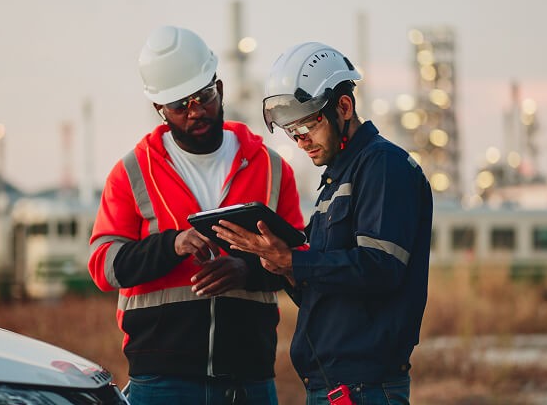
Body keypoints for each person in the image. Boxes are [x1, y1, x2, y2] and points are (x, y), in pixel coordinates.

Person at [87, 25, 305, 405]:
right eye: (179, 105)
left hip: (248, 379)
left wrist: (246, 271)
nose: (196, 112)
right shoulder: (133, 172)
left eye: (204, 97)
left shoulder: (270, 169)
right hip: (161, 382)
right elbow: (103, 266)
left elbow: (299, 263)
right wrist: (172, 245)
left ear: (219, 89)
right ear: (160, 110)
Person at [212, 42, 432, 405]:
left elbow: (381, 269)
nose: (301, 142)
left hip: (366, 388)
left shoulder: (383, 167)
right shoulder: (333, 183)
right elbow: (325, 288)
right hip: (333, 386)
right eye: (291, 132)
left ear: (343, 107)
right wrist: (280, 265)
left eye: (306, 126)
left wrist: (294, 261)